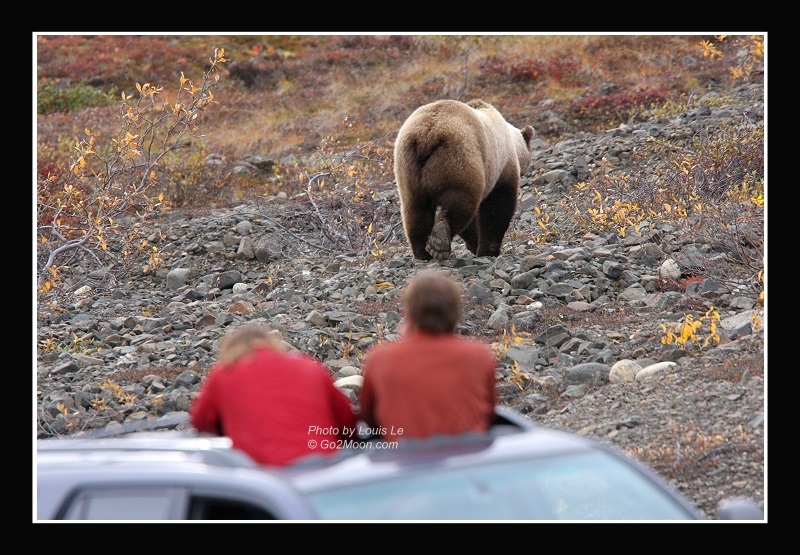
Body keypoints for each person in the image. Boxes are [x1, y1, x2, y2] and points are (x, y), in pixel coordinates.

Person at [359, 270, 498, 442]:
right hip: (467, 461)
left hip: (406, 461)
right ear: (454, 312)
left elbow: (370, 419)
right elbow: (490, 414)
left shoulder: (380, 358)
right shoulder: (479, 356)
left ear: (408, 312)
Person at [190, 324, 358, 466]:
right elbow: (347, 422)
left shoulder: (224, 373)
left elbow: (200, 422)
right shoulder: (308, 366)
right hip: (324, 464)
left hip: (267, 473)